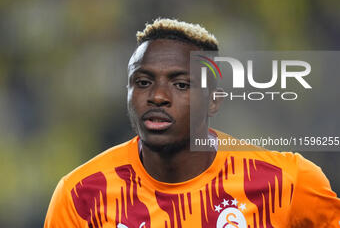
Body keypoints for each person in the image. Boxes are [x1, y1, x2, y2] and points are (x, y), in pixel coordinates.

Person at [44, 18, 340, 228]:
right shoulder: (81, 196)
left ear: (213, 100)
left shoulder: (287, 182)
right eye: (143, 82)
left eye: (182, 84)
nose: (158, 96)